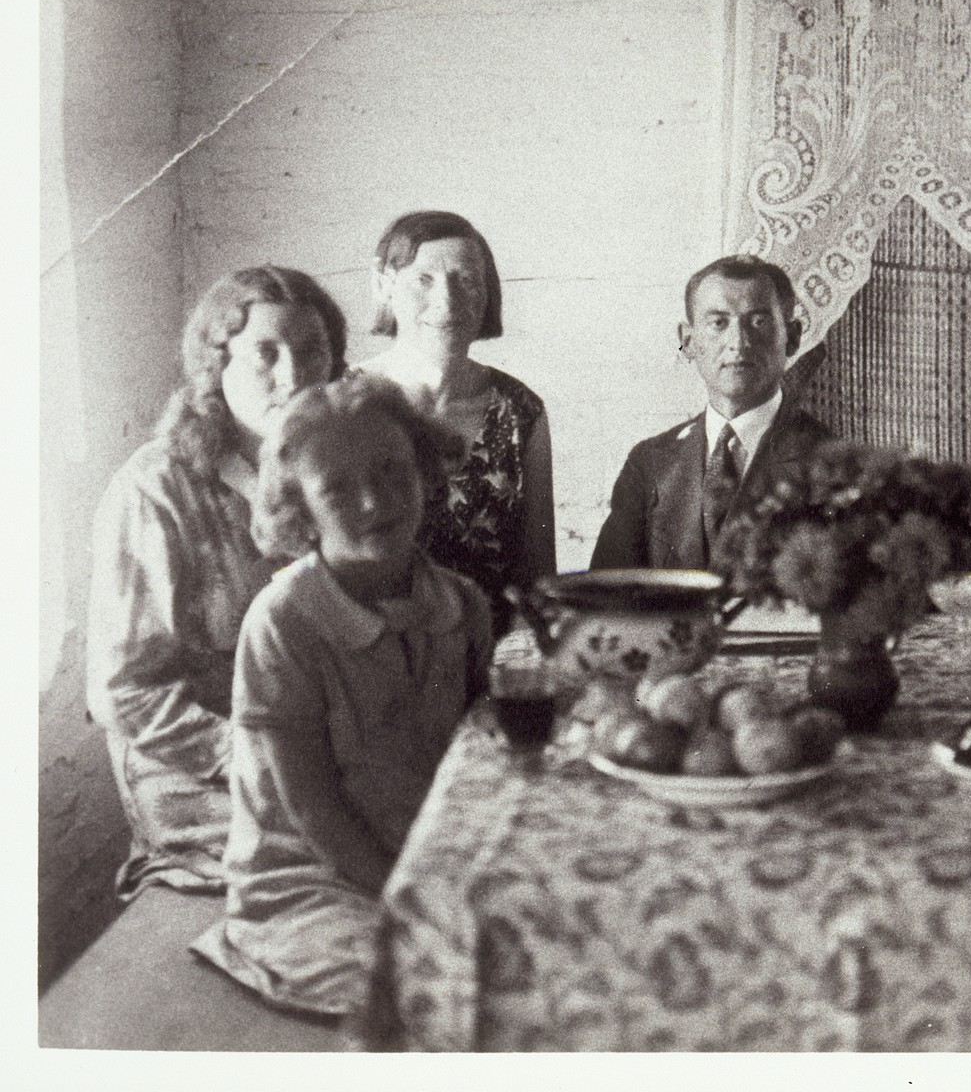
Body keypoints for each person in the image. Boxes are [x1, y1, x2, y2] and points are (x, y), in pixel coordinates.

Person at [191, 373, 491, 1017]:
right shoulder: (285, 622)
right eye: (337, 488)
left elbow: (474, 765)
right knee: (435, 993)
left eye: (392, 474)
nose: (373, 503)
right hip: (310, 882)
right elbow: (314, 811)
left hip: (420, 854)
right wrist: (414, 901)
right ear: (299, 508)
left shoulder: (460, 605)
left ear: (428, 473)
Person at [87, 266, 347, 900]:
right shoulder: (156, 488)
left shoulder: (328, 473)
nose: (293, 374)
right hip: (197, 772)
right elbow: (123, 692)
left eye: (312, 351)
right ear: (215, 364)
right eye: (267, 352)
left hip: (305, 755)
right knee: (351, 862)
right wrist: (258, 760)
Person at [359, 210, 554, 628]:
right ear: (384, 287)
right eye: (423, 280)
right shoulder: (342, 401)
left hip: (490, 662)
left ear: (488, 295)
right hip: (369, 658)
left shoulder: (522, 412)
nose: (447, 303)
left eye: (465, 280)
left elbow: (537, 581)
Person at [590, 254, 833, 569]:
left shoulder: (830, 465)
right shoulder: (649, 463)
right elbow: (606, 597)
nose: (738, 342)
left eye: (758, 322)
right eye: (718, 323)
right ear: (688, 342)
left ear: (793, 337)